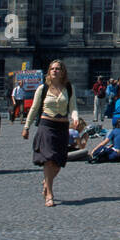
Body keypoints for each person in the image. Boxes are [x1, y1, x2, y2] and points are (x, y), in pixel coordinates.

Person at [22, 60, 81, 206]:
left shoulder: (69, 88)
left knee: (59, 161)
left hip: (62, 127)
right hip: (46, 126)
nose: (55, 71)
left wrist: (75, 118)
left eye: (58, 69)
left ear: (63, 72)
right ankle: (49, 193)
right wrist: (26, 127)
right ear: (49, 72)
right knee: (48, 159)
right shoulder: (42, 89)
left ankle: (46, 182)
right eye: (52, 69)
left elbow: (72, 107)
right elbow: (34, 109)